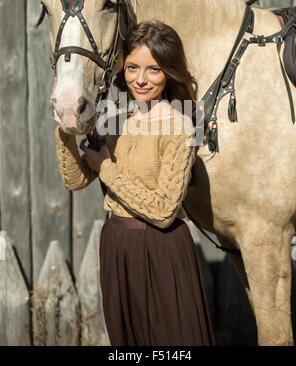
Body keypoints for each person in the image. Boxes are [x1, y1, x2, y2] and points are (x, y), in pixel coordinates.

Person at [55, 20, 215, 346]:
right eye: (132, 67)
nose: (140, 79)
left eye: (153, 70)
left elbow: (164, 210)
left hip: (161, 249)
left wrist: (106, 168)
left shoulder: (182, 126)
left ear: (170, 72)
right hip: (116, 245)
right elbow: (74, 180)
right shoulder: (114, 117)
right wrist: (65, 123)